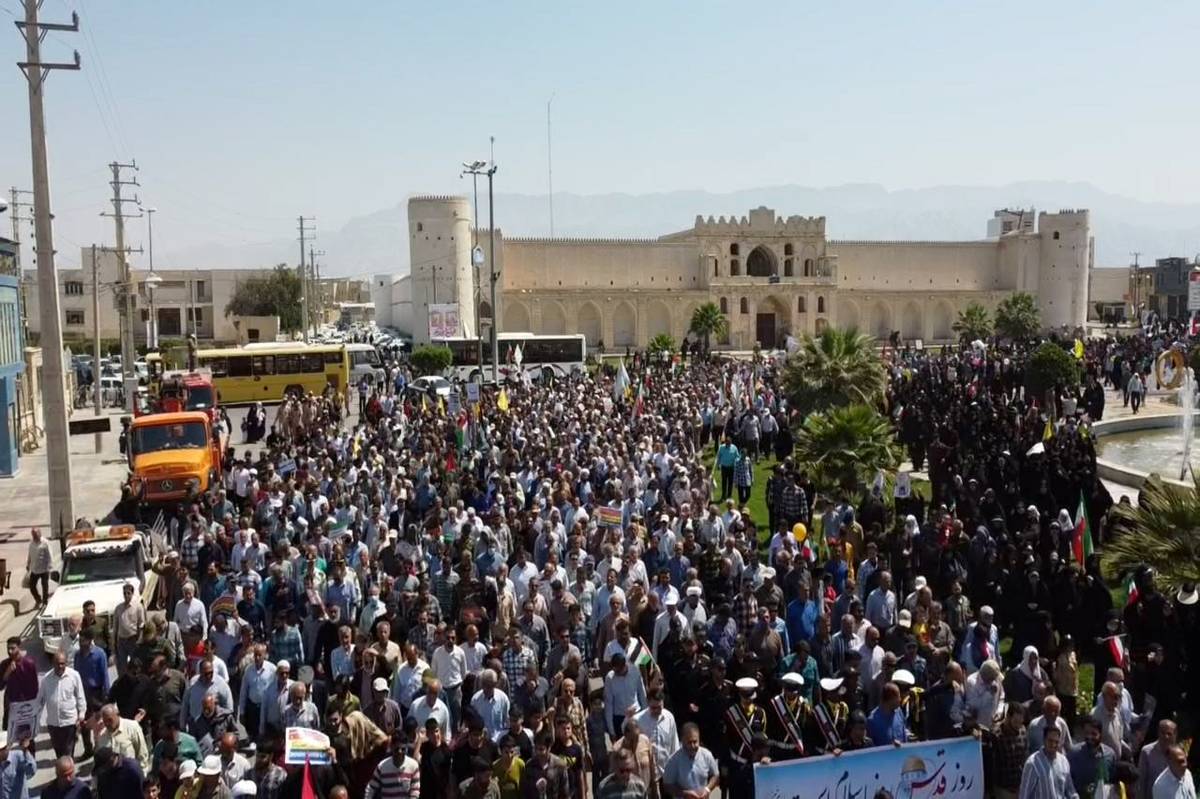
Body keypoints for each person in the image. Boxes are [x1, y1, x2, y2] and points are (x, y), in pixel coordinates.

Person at [37, 650, 87, 759]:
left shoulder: (74, 676)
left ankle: (69, 768)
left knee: (68, 753)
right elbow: (40, 701)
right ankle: (62, 769)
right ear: (53, 663)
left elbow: (81, 697)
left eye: (62, 663)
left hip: (70, 723)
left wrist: (81, 715)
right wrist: (36, 719)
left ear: (66, 663)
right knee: (59, 754)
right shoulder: (46, 679)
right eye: (57, 663)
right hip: (53, 724)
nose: (60, 666)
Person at [662, 723, 719, 799]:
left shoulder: (707, 755)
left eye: (695, 742)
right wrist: (684, 794)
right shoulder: (674, 760)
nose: (692, 746)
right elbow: (667, 785)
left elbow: (715, 775)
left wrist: (707, 789)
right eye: (689, 742)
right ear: (682, 741)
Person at [1018, 727, 1076, 799]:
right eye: (1050, 741)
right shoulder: (1032, 763)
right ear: (1044, 740)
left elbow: (1070, 789)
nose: (1053, 745)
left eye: (1056, 742)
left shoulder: (1063, 762)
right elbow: (1024, 795)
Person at [365, 731, 421, 799]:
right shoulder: (382, 767)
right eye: (397, 749)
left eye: (403, 749)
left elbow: (415, 791)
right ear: (392, 747)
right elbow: (371, 788)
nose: (400, 752)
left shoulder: (413, 766)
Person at [25, 526, 52, 607]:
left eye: (35, 534)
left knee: (45, 587)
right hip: (34, 569)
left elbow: (50, 555)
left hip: (44, 569)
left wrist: (50, 565)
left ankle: (45, 602)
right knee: (32, 586)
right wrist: (28, 564)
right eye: (33, 534)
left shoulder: (45, 542)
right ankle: (38, 599)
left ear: (39, 533)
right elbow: (30, 554)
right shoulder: (31, 543)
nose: (34, 536)